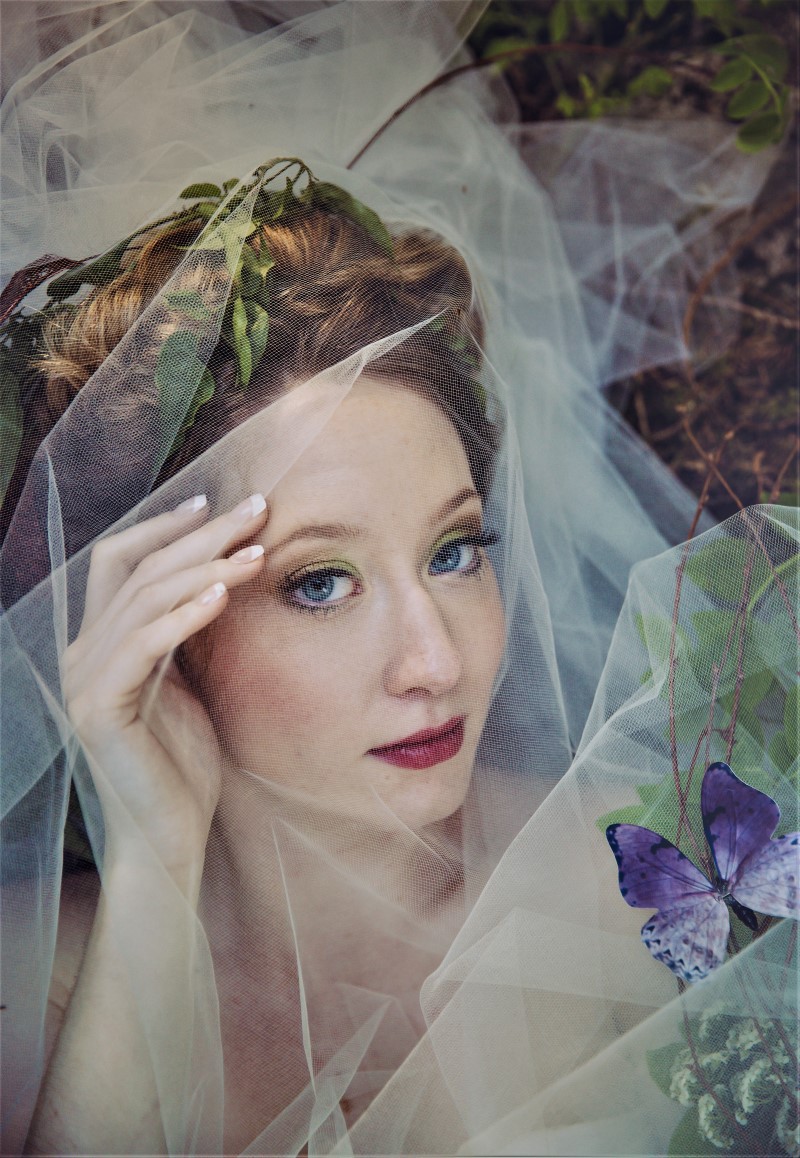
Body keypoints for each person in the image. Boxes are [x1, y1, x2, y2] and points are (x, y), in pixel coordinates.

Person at [1, 4, 796, 1156]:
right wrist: (153, 867)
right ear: (159, 628)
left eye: (452, 551)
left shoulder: (655, 890)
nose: (435, 661)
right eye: (319, 583)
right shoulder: (35, 989)